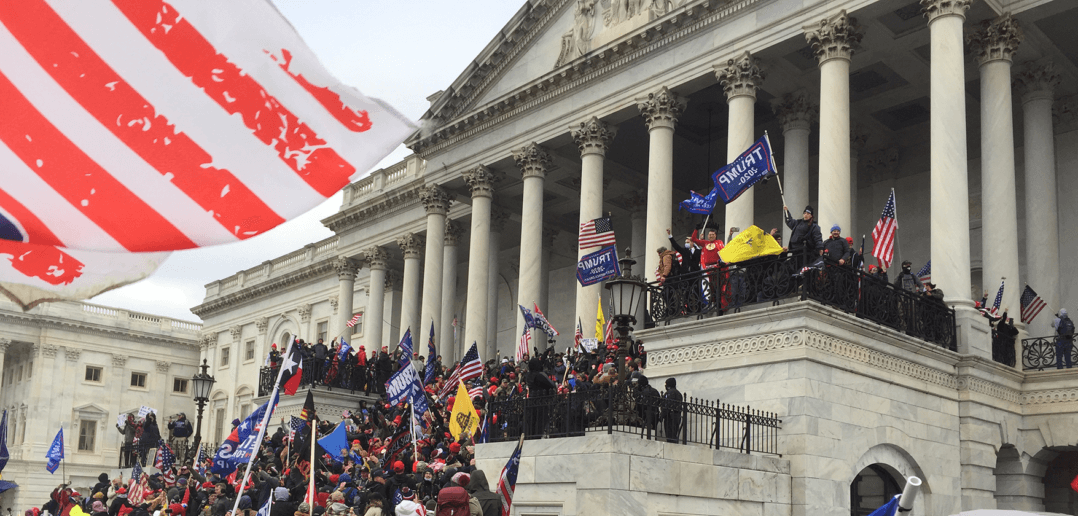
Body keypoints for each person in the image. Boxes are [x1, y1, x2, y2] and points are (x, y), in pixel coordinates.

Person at [660, 377, 682, 444]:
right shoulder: (679, 393)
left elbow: (667, 405)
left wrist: (662, 415)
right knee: (674, 433)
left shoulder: (669, 393)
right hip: (677, 416)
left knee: (670, 435)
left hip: (670, 416)